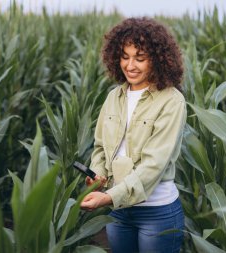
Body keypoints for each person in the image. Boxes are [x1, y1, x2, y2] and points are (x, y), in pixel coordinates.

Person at [80, 17, 186, 253]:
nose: (130, 65)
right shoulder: (113, 97)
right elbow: (100, 147)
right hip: (119, 212)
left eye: (140, 58)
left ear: (157, 60)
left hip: (156, 212)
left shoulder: (171, 101)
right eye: (125, 57)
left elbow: (153, 165)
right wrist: (98, 174)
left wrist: (108, 198)